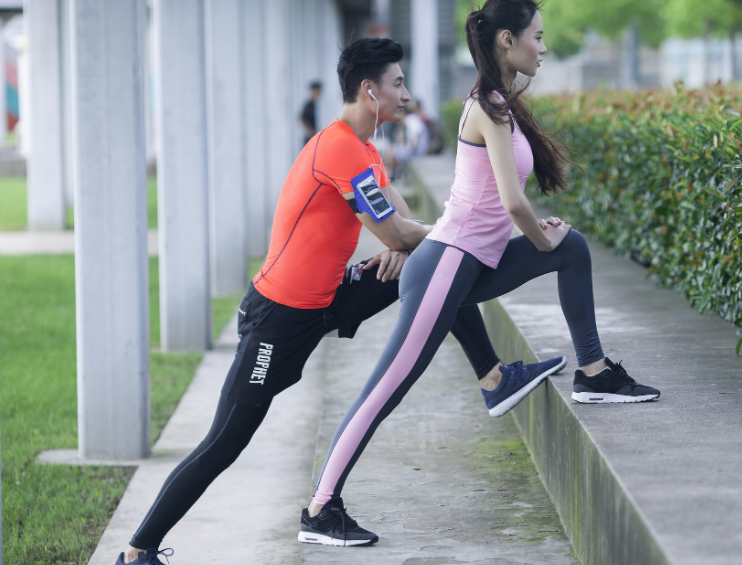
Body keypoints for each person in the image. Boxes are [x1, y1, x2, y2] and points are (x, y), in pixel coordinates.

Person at [114, 36, 565, 565]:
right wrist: (417, 243)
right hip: (278, 319)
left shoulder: (367, 150)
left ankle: (492, 378)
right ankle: (137, 551)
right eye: (397, 84)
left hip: (327, 296)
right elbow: (399, 230)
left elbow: (411, 231)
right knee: (225, 443)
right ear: (369, 91)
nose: (407, 95)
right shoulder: (339, 148)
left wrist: (417, 247)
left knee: (434, 272)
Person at [300, 0, 661, 548]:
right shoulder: (485, 108)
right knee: (386, 388)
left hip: (469, 266)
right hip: (444, 267)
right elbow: (515, 206)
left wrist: (548, 240)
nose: (543, 46)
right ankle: (320, 510)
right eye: (537, 37)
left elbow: (501, 207)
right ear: (507, 41)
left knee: (575, 248)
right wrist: (541, 237)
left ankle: (593, 372)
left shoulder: (498, 103)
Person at [385, 99, 430, 179]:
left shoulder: (410, 119)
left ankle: (392, 175)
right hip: (414, 149)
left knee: (391, 153)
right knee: (391, 151)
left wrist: (411, 146)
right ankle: (394, 174)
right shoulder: (409, 120)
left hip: (417, 151)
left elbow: (416, 133)